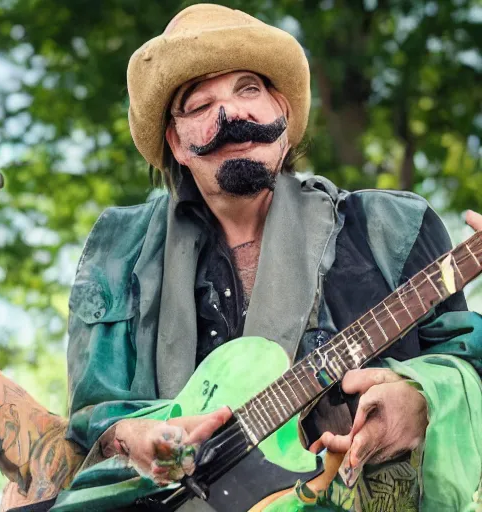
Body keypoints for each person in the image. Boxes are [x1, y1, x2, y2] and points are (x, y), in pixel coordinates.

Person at [55, 4, 482, 511]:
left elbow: (467, 365)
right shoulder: (119, 252)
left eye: (249, 90)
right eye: (200, 104)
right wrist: (130, 436)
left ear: (282, 114)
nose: (232, 114)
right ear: (177, 142)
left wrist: (421, 399)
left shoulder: (393, 227)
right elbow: (87, 421)